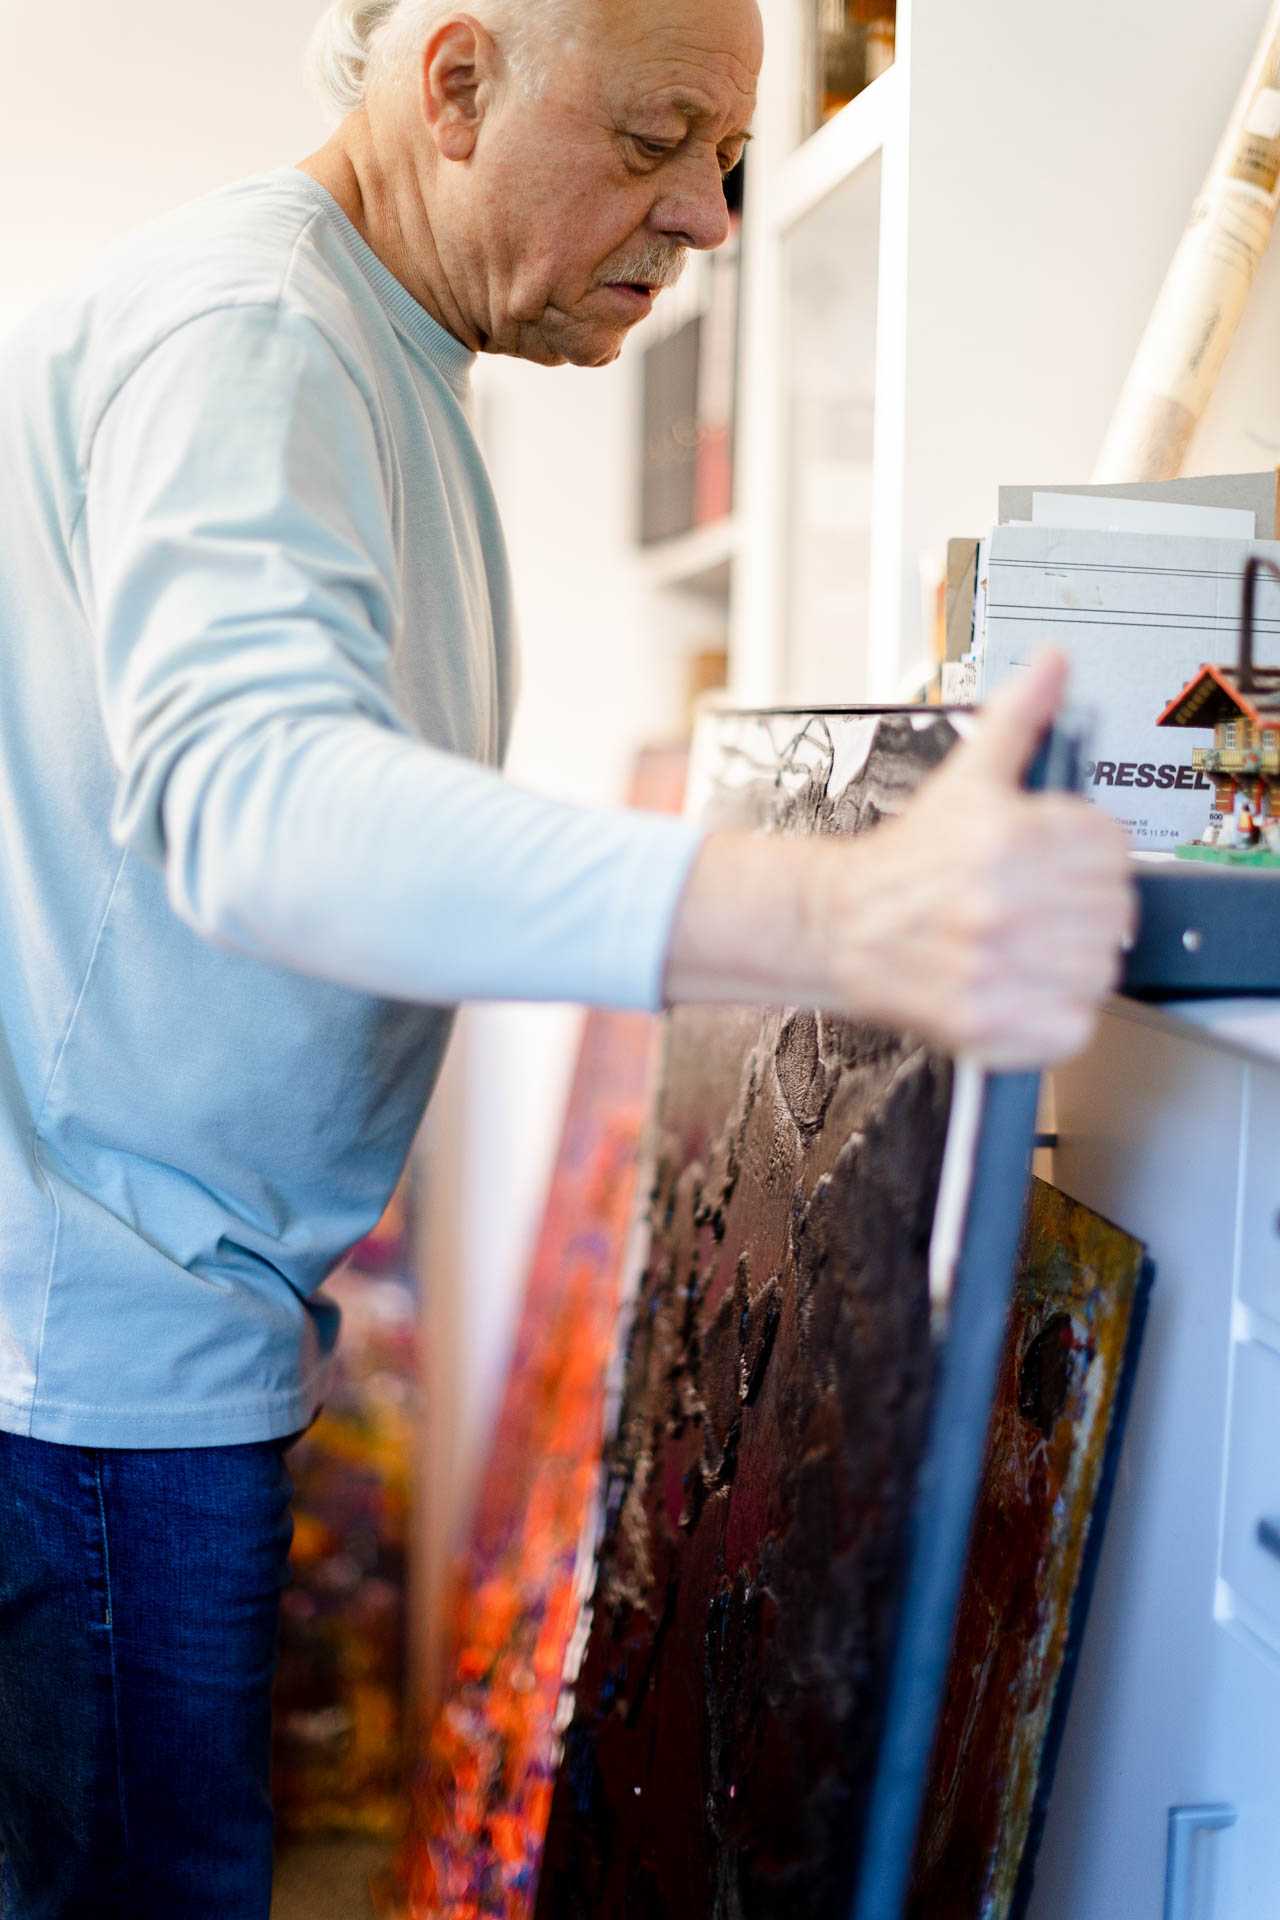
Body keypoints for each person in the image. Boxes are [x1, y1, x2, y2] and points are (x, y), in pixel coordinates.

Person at [0, 0, 1133, 1912]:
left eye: (730, 158)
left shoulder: (374, 348)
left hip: (144, 1333)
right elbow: (261, 805)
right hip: (93, 1362)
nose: (707, 217)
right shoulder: (258, 332)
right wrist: (839, 908)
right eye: (653, 139)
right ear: (456, 84)